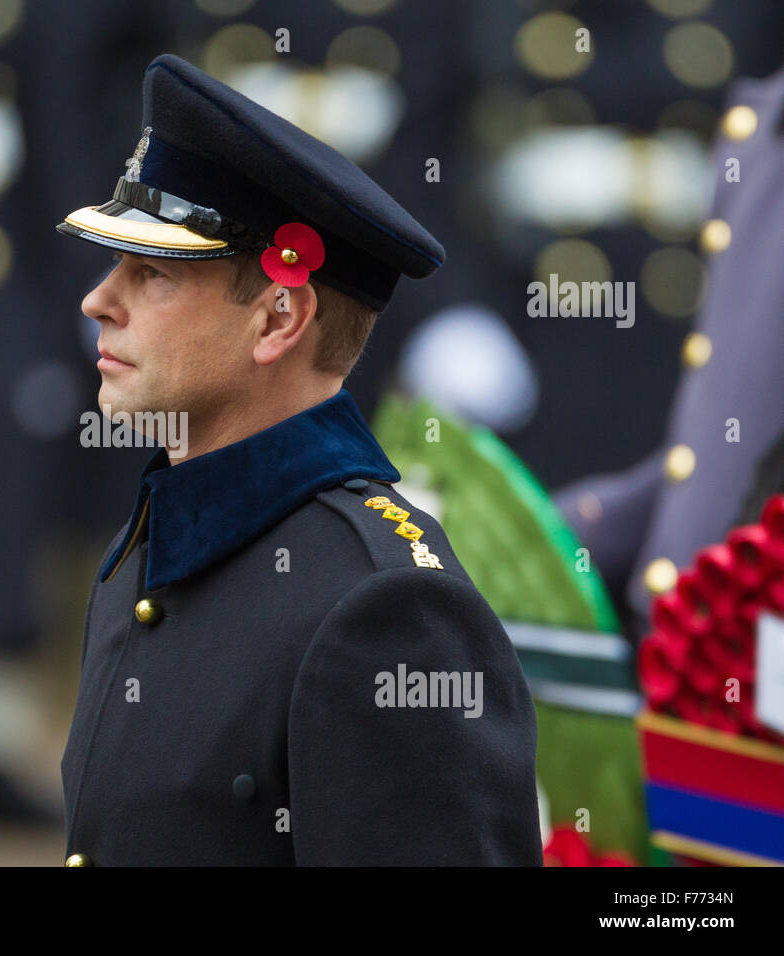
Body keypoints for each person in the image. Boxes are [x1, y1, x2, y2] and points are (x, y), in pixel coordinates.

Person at [53, 54, 542, 866]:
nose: (98, 300)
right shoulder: (148, 545)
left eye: (151, 274)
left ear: (279, 318)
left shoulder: (388, 609)